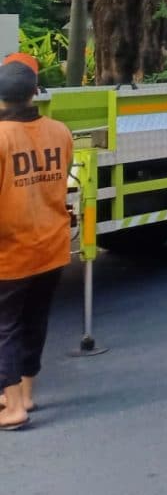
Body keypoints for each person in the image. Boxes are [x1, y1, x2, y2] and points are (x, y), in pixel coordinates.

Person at [0, 61, 74, 430]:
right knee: (34, 321)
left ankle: (13, 407)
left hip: (10, 252)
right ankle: (26, 393)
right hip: (51, 245)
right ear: (35, 92)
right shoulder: (60, 132)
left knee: (5, 328)